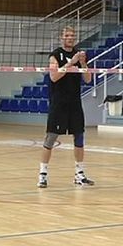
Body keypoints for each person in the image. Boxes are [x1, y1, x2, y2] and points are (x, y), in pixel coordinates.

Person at [37, 26, 94, 188]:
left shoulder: (79, 54)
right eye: (67, 35)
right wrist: (72, 62)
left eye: (72, 35)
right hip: (58, 103)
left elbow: (88, 79)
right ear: (61, 38)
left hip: (75, 102)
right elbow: (54, 77)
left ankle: (79, 174)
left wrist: (82, 63)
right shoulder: (55, 55)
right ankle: (42, 174)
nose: (70, 38)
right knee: (51, 138)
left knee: (79, 137)